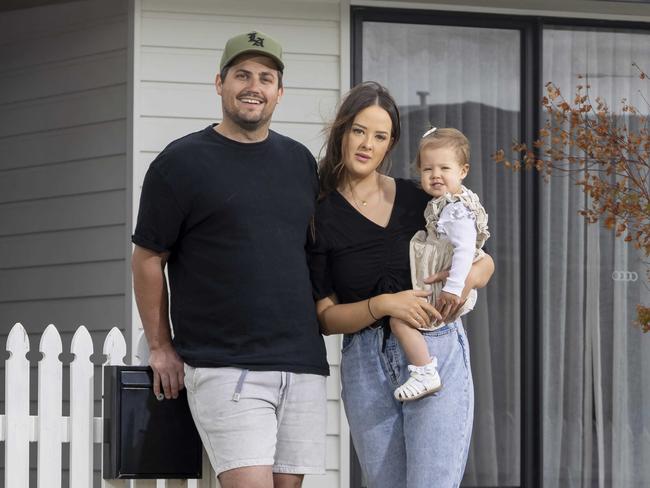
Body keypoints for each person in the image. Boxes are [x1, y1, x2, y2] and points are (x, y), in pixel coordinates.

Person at [131, 30, 328, 488]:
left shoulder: (300, 163)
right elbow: (147, 258)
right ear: (219, 82)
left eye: (265, 77)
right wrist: (161, 346)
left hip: (301, 364)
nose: (253, 86)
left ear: (280, 92)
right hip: (225, 365)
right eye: (241, 74)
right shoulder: (180, 162)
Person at [308, 81, 494, 488]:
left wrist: (462, 285)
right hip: (365, 364)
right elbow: (325, 317)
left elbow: (483, 261)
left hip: (434, 345)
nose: (366, 144)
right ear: (341, 132)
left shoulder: (420, 197)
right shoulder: (320, 215)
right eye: (358, 131)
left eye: (380, 136)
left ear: (390, 145)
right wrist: (384, 304)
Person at [390, 127, 490, 402]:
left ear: (463, 170)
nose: (435, 175)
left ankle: (424, 371)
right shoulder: (444, 204)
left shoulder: (456, 209)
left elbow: (465, 251)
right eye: (427, 169)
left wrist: (454, 288)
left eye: (444, 168)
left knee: (400, 319)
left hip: (448, 290)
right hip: (448, 284)